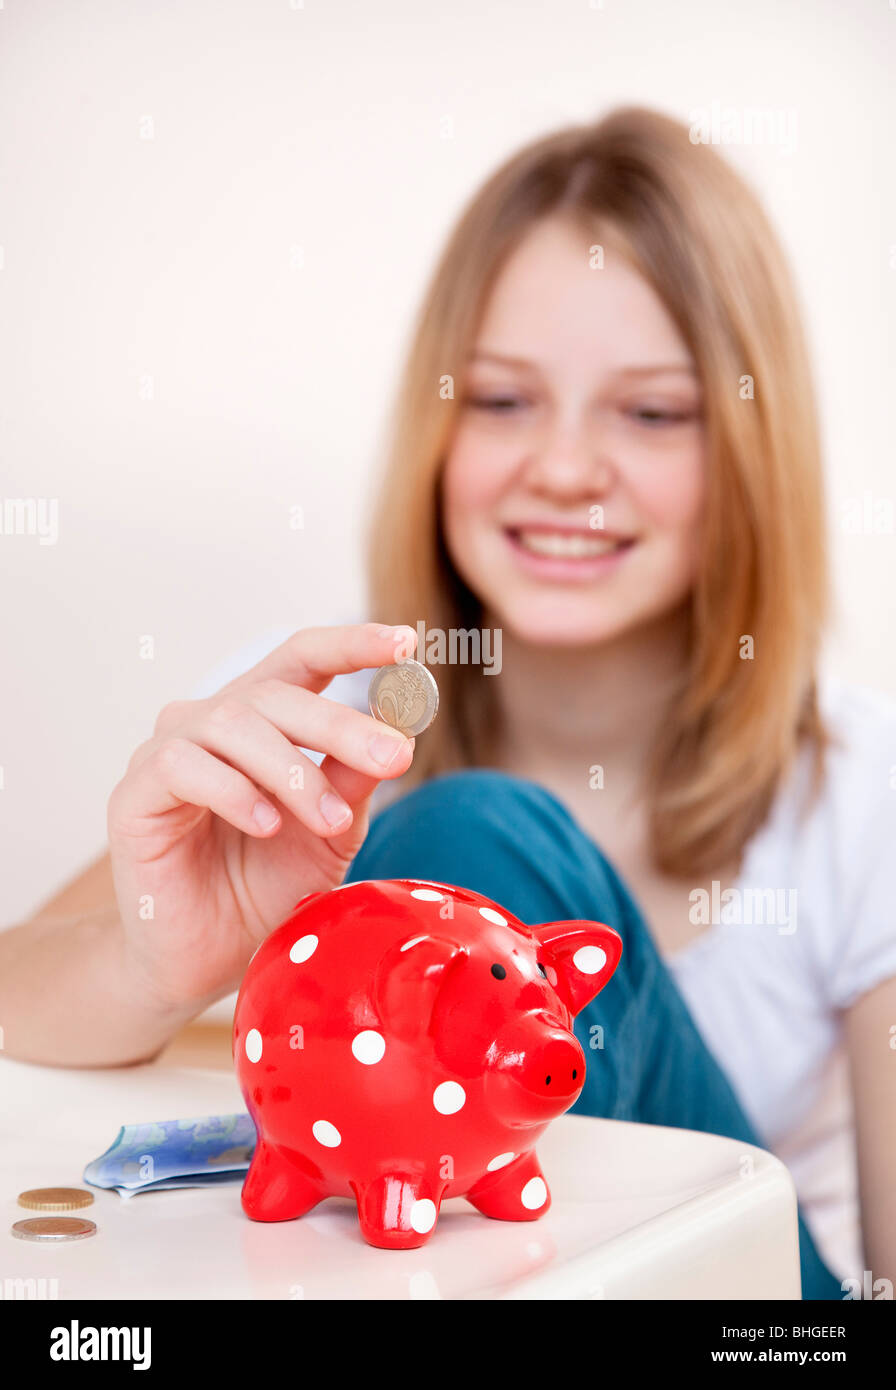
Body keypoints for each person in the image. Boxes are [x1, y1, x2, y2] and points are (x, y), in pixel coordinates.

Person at [2, 107, 893, 1301]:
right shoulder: (312, 719)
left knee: (472, 839)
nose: (563, 468)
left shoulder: (862, 787)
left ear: (748, 445)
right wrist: (156, 964)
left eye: (651, 412)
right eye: (502, 401)